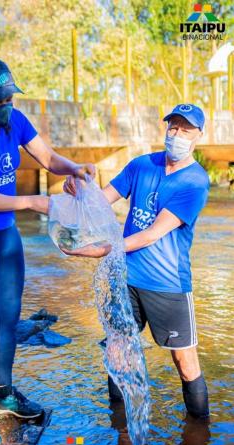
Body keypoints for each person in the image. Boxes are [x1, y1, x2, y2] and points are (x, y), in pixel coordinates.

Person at [0, 57, 95, 445]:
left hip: (6, 236)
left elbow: (47, 159)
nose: (6, 103)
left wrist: (74, 168)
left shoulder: (15, 121)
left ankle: (4, 394)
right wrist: (33, 202)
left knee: (9, 317)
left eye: (10, 96)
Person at [62, 104, 210, 420]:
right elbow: (98, 202)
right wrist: (77, 189)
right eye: (173, 127)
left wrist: (102, 249)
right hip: (127, 278)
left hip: (168, 285)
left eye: (186, 129)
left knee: (185, 362)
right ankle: (119, 436)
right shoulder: (141, 165)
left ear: (199, 135)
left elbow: (152, 234)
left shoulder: (195, 182)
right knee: (118, 352)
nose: (177, 134)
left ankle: (198, 441)